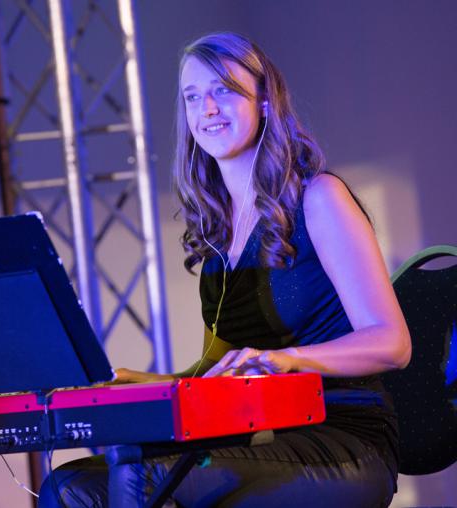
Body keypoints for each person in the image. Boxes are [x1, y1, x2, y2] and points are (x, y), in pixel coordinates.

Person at [38, 32, 411, 507]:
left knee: (145, 476)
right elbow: (222, 373)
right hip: (259, 435)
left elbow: (392, 343)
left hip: (343, 440)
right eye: (193, 96)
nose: (207, 108)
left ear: (266, 102)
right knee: (68, 488)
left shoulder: (318, 199)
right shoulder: (218, 230)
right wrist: (151, 383)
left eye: (224, 90)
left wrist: (289, 360)